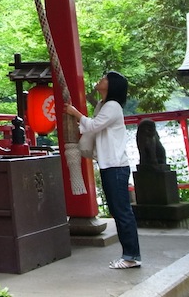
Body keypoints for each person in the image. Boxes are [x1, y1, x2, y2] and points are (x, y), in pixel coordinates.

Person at [65, 71, 141, 269]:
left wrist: (75, 113)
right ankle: (130, 255)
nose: (101, 80)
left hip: (116, 165)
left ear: (112, 85)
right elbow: (92, 127)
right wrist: (77, 121)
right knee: (118, 210)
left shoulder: (112, 106)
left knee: (122, 212)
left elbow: (94, 125)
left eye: (105, 78)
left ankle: (131, 256)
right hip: (109, 165)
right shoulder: (102, 105)